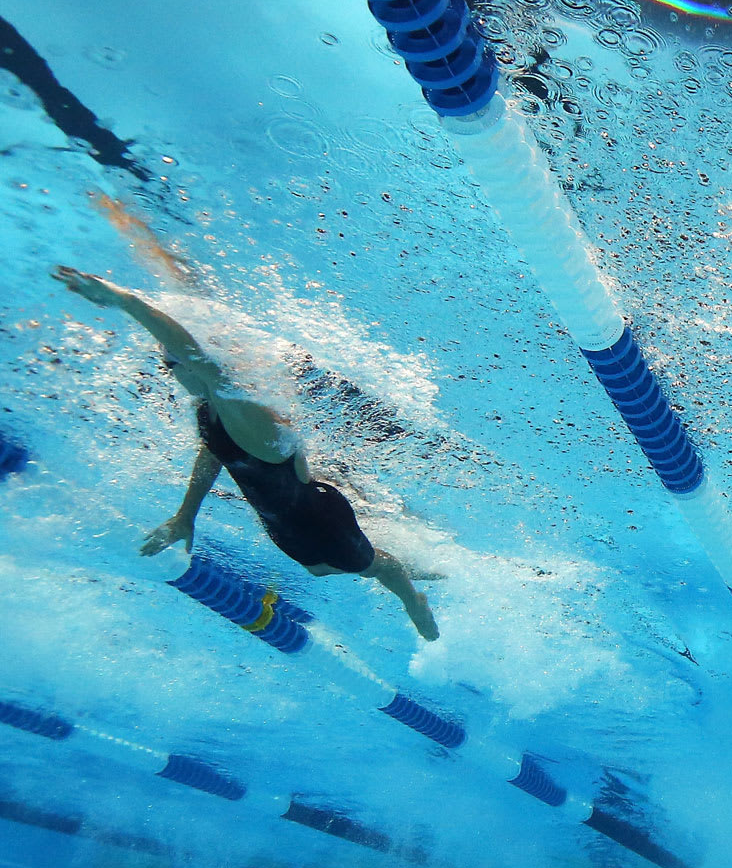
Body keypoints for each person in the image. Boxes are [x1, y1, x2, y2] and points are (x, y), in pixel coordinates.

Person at [51, 267, 440, 640]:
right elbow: (215, 452)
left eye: (170, 364)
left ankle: (413, 598)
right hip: (285, 519)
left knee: (370, 566)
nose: (169, 371)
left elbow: (206, 363)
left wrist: (124, 300)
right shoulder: (208, 409)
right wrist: (185, 517)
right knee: (322, 569)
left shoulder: (244, 410)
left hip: (320, 522)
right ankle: (392, 544)